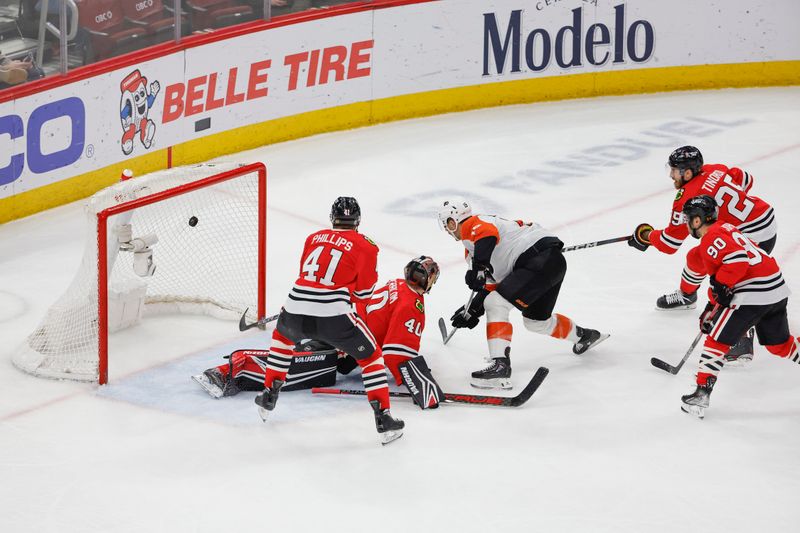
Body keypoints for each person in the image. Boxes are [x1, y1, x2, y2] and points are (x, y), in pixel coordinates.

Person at [253, 197, 405, 444]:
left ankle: (269, 395)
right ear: (357, 221)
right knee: (371, 357)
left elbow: (307, 276)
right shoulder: (367, 246)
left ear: (332, 218)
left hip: (294, 305)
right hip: (333, 313)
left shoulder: (313, 238)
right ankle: (384, 418)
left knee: (282, 339)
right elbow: (363, 295)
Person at [194, 256, 440, 399]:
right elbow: (397, 353)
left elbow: (364, 306)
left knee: (302, 361)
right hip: (341, 339)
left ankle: (234, 368)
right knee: (291, 372)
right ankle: (225, 371)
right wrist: (417, 381)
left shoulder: (394, 284)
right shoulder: (412, 306)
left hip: (338, 326)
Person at [628, 145, 778, 363]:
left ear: (688, 173)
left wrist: (646, 235)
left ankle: (741, 337)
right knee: (696, 257)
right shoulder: (715, 168)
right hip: (766, 221)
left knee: (726, 282)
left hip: (748, 240)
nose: (671, 175)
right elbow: (746, 179)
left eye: (675, 170)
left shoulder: (687, 198)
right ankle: (687, 295)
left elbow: (670, 242)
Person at [437, 199, 609, 390]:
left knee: (495, 304)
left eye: (446, 225)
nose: (447, 230)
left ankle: (500, 366)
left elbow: (487, 236)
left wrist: (478, 267)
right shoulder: (474, 251)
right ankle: (585, 336)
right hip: (550, 264)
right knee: (536, 322)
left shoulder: (475, 226)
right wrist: (472, 310)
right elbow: (492, 285)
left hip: (537, 261)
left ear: (453, 221)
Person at [677, 195, 797, 419]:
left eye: (688, 219)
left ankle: (701, 394)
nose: (686, 223)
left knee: (716, 341)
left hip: (753, 293)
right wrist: (711, 307)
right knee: (779, 344)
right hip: (775, 287)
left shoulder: (710, 238)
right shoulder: (726, 228)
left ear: (697, 220)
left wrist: (721, 286)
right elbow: (726, 275)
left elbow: (737, 261)